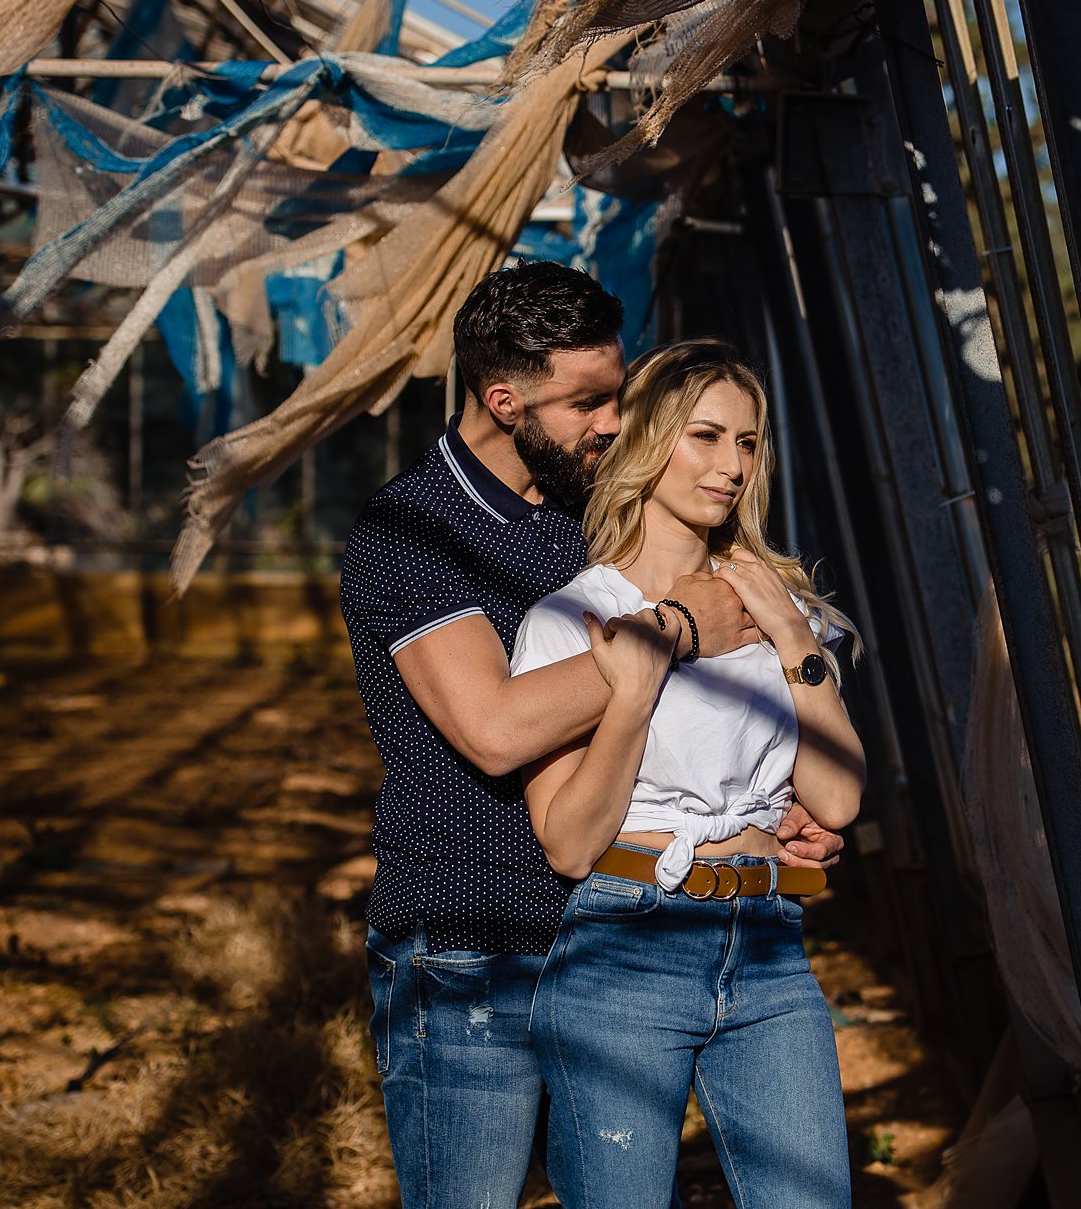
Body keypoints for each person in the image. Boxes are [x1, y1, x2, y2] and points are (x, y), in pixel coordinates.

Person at [337, 264, 844, 1209]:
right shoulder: (415, 529)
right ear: (504, 399)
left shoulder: (587, 510)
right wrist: (670, 633)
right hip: (472, 937)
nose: (614, 421)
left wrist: (755, 814)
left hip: (620, 924)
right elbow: (492, 729)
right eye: (590, 401)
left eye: (618, 394)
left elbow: (673, 720)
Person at [509, 339, 865, 1209]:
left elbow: (838, 798)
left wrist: (790, 637)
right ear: (648, 440)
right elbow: (567, 842)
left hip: (770, 942)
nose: (731, 465)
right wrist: (634, 689)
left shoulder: (789, 610)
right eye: (705, 436)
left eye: (747, 443)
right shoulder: (572, 618)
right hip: (625, 943)